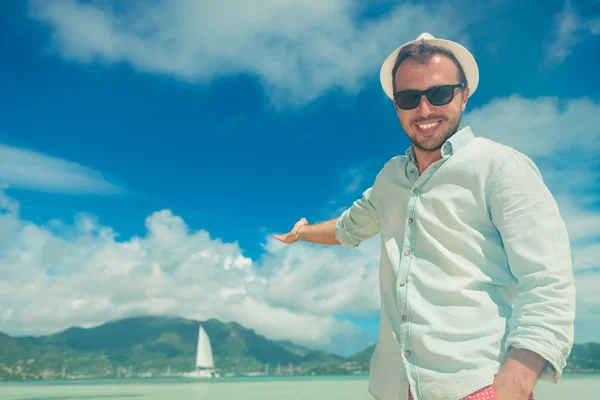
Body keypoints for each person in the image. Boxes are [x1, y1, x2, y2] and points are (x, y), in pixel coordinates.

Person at [273, 32, 576, 400]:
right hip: (393, 388)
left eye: (440, 93)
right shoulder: (389, 179)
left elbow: (548, 280)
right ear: (396, 106)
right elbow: (346, 228)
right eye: (408, 98)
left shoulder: (501, 167)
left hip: (476, 386)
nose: (425, 109)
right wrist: (302, 233)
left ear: (464, 94)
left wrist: (513, 383)